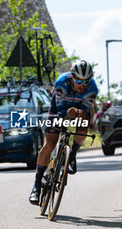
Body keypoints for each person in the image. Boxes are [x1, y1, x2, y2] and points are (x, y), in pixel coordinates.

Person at [29, 60, 99, 205]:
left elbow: (86, 113)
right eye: (79, 81)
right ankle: (36, 186)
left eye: (86, 81)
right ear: (72, 77)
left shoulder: (92, 88)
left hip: (78, 109)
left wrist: (80, 113)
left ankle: (72, 156)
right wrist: (70, 114)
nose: (82, 85)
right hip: (59, 109)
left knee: (83, 126)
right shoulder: (61, 82)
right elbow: (61, 113)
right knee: (50, 143)